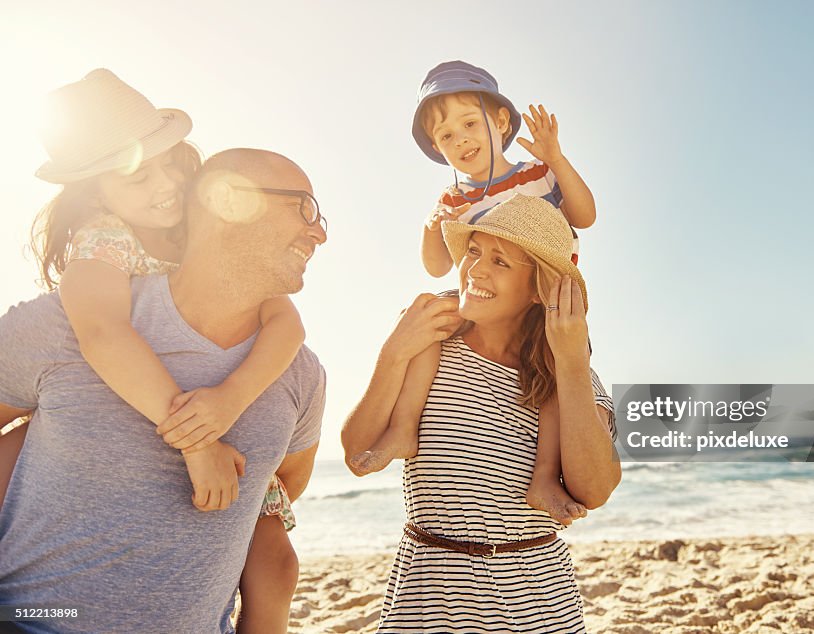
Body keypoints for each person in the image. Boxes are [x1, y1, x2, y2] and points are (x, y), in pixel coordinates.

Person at [0, 69, 313, 633]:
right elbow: (102, 335)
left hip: (228, 433)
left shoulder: (194, 229)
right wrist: (197, 440)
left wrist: (229, 399)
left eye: (170, 161)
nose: (166, 183)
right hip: (169, 425)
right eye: (138, 176)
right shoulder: (101, 243)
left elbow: (286, 320)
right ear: (98, 193)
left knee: (276, 563)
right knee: (20, 444)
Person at [342, 194, 620, 632]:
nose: (476, 269)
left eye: (501, 261)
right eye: (473, 251)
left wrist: (570, 365)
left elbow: (597, 490)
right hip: (428, 592)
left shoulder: (566, 366)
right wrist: (394, 351)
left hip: (537, 600)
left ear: (536, 291)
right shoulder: (428, 341)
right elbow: (357, 452)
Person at [349, 61, 598, 527]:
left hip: (550, 301)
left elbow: (585, 216)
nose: (459, 140)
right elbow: (438, 265)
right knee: (426, 314)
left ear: (500, 123)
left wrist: (558, 158)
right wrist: (432, 227)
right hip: (484, 301)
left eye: (468, 124)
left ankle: (544, 476)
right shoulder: (453, 200)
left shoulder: (538, 174)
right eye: (445, 136)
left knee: (557, 376)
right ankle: (404, 428)